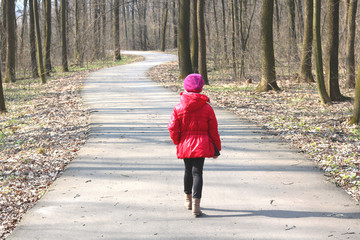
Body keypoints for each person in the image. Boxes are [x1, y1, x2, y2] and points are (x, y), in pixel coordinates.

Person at [168, 73, 221, 217]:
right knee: (197, 172)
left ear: (186, 87)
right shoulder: (207, 108)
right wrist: (217, 148)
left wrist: (177, 141)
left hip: (185, 143)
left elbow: (172, 127)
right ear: (200, 88)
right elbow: (213, 131)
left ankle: (188, 200)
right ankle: (196, 206)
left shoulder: (178, 108)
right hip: (202, 145)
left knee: (187, 170)